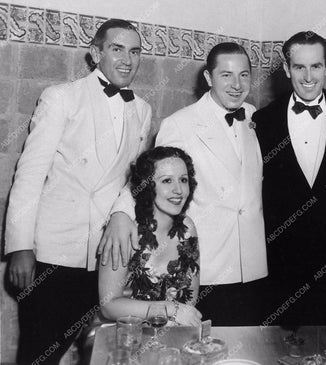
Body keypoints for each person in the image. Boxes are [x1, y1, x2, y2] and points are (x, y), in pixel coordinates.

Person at [5, 19, 151, 364]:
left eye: (134, 51)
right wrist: (21, 245)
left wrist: (121, 214)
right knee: (39, 353)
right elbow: (29, 173)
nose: (127, 59)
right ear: (95, 53)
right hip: (53, 251)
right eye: (117, 49)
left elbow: (135, 180)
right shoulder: (61, 97)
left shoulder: (143, 110)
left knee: (97, 354)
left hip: (106, 257)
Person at [103, 42, 267, 325]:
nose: (237, 84)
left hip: (253, 265)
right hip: (210, 267)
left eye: (244, 75)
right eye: (226, 75)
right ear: (208, 78)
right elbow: (151, 177)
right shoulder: (180, 124)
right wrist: (120, 213)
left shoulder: (254, 117)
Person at [253, 31, 326, 326]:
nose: (308, 76)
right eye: (299, 67)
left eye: (316, 66)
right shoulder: (262, 121)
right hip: (281, 259)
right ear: (287, 69)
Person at [99, 146, 202, 326]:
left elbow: (189, 301)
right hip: (125, 332)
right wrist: (168, 310)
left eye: (183, 180)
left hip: (171, 334)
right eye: (167, 181)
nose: (179, 190)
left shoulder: (187, 228)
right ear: (147, 185)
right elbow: (108, 306)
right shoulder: (125, 232)